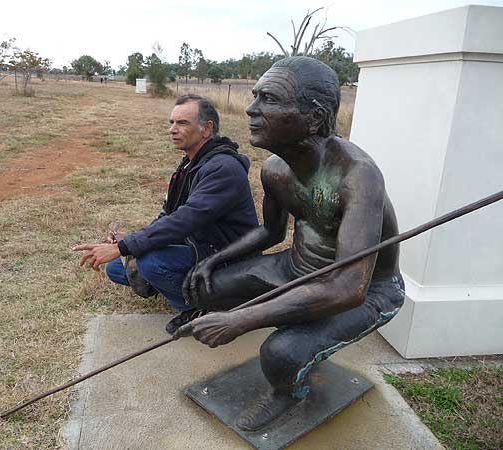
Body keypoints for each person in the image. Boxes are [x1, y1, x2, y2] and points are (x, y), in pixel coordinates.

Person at [179, 57, 405, 431]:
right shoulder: (276, 170)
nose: (251, 109)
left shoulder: (358, 176)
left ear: (314, 118)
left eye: (268, 99)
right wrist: (213, 261)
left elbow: (350, 287)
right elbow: (270, 233)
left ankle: (288, 393)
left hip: (368, 292)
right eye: (255, 96)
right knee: (207, 288)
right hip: (295, 268)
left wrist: (241, 319)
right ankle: (279, 327)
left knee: (281, 354)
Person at [73, 94, 259, 334]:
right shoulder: (190, 164)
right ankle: (178, 284)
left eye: (182, 123)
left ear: (206, 129)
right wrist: (129, 242)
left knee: (150, 262)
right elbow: (169, 215)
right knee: (117, 269)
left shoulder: (223, 168)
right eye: (171, 122)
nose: (172, 130)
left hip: (226, 254)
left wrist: (124, 248)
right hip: (198, 243)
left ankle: (199, 307)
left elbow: (184, 220)